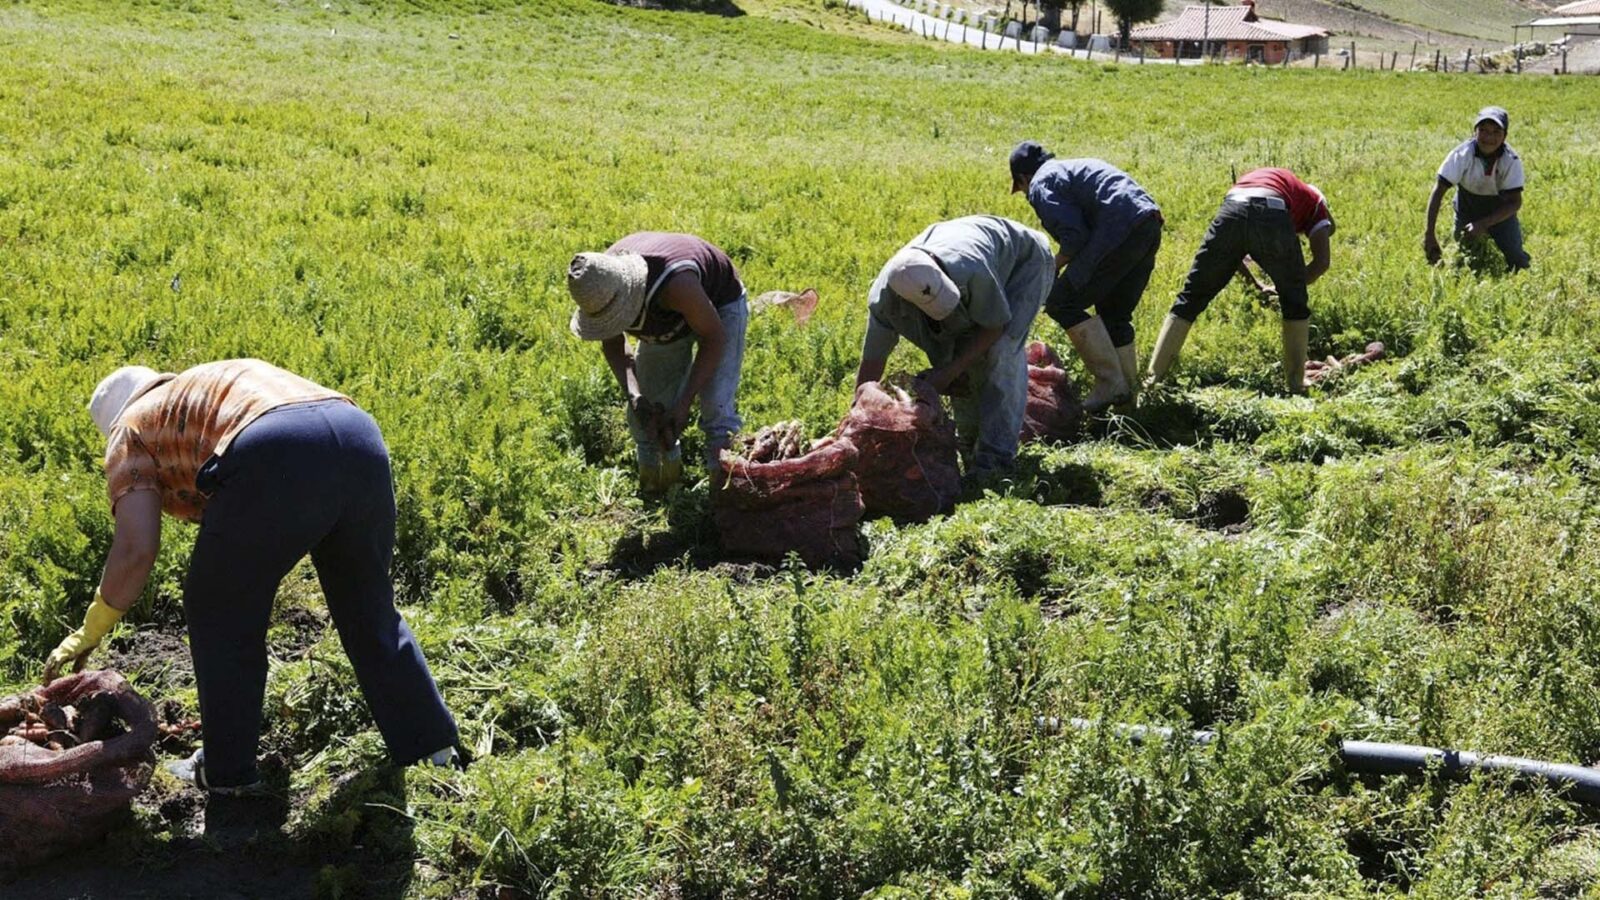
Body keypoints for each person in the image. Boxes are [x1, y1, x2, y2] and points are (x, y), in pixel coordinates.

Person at [45, 359, 460, 793]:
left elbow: (136, 548)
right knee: (367, 607)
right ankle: (431, 748)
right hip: (357, 435)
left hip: (276, 448)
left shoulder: (130, 428)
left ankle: (227, 773)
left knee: (216, 609)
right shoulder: (195, 393)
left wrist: (94, 625)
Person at [855, 215, 1052, 475]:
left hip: (1023, 265)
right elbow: (872, 363)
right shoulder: (884, 301)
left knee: (1001, 350)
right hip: (970, 275)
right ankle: (970, 445)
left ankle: (996, 460)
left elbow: (995, 326)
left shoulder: (971, 269)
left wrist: (948, 372)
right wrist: (857, 420)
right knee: (956, 354)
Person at [566, 232, 748, 493]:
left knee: (716, 407)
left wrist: (684, 403)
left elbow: (714, 337)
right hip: (665, 319)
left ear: (630, 298)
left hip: (719, 306)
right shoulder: (598, 283)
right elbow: (613, 343)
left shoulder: (675, 284)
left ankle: (725, 498)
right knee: (650, 411)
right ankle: (658, 485)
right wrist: (635, 395)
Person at [1145, 167, 1335, 395]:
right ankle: (1296, 382)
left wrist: (1256, 286)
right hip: (1271, 209)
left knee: (1189, 299)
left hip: (1232, 208)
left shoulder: (1284, 185)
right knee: (1295, 303)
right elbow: (1321, 262)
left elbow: (1232, 254)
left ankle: (1152, 381)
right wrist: (1290, 287)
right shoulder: (1316, 205)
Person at [1009, 141, 1163, 412]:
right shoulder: (1071, 168)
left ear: (1023, 178)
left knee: (1060, 301)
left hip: (1117, 230)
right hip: (1147, 224)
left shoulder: (1041, 184)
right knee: (1115, 313)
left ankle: (1110, 383)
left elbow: (1075, 237)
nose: (1025, 194)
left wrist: (1051, 267)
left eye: (1021, 189)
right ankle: (1128, 396)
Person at [1424, 106, 1529, 271]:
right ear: (1474, 132)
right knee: (1465, 259)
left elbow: (1514, 203)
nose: (1489, 137)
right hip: (1467, 210)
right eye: (1483, 130)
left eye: (1496, 132)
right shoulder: (1461, 155)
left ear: (1505, 136)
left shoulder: (1511, 161)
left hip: (1500, 214)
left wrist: (1484, 224)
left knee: (1516, 259)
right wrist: (1429, 234)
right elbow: (1438, 191)